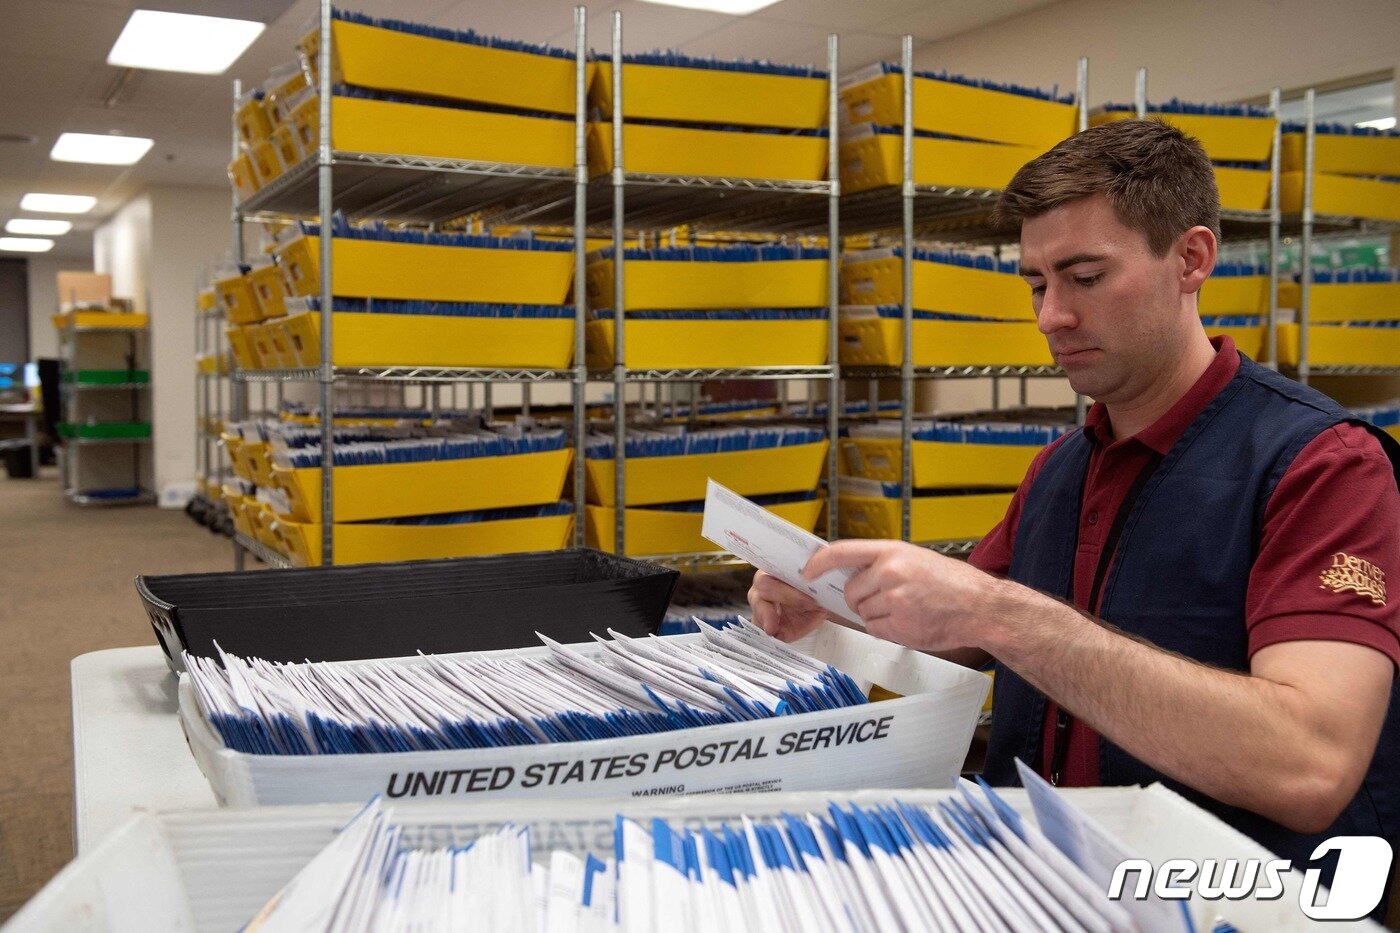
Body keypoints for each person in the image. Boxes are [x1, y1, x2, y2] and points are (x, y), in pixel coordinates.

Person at [749, 119, 1400, 909]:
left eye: (1085, 277)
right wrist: (828, 607)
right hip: (1050, 884)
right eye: (1036, 283)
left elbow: (1311, 765)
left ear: (1191, 259)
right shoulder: (1062, 467)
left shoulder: (1324, 464)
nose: (1050, 315)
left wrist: (1005, 614)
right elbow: (959, 628)